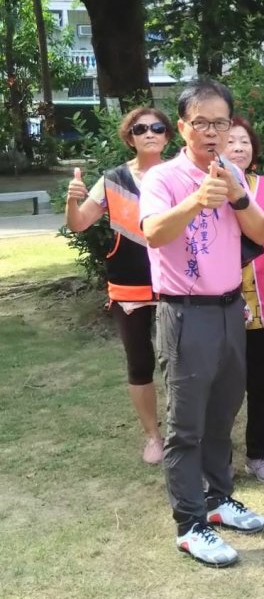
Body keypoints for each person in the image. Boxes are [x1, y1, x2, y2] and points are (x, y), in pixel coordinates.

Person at [139, 80, 264, 568]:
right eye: (203, 123)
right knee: (186, 425)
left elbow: (261, 231)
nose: (213, 132)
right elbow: (152, 232)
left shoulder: (233, 171)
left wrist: (237, 196)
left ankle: (218, 500)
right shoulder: (164, 178)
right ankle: (189, 523)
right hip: (184, 313)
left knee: (222, 414)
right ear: (182, 127)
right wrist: (197, 200)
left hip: (230, 309)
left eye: (222, 123)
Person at [65, 106, 172, 465]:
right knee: (139, 364)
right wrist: (71, 199)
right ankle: (153, 436)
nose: (150, 133)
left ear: (169, 135)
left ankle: (184, 433)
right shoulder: (113, 179)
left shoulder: (180, 174)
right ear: (130, 137)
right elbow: (79, 224)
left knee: (183, 364)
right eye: (141, 129)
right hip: (130, 288)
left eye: (158, 127)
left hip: (177, 284)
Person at [225, 117, 264, 483]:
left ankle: (258, 454)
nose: (238, 148)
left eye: (244, 141)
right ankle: (218, 457)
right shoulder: (208, 186)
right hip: (222, 302)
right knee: (224, 386)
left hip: (262, 301)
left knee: (261, 384)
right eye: (231, 142)